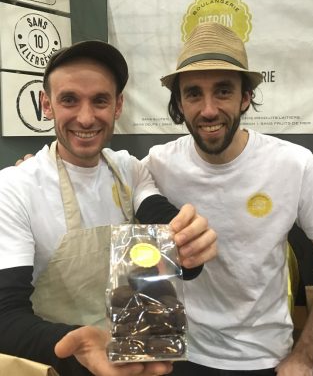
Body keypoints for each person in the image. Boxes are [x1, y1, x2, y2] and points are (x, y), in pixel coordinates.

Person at [0, 40, 217, 376]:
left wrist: (189, 245)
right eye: (69, 99)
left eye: (100, 100)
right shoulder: (14, 188)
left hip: (132, 357)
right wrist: (80, 345)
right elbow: (4, 315)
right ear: (47, 104)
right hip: (56, 363)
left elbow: (160, 220)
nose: (86, 118)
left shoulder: (129, 169)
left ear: (117, 106)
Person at [142, 22, 313, 376]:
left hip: (263, 360)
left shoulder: (294, 165)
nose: (208, 110)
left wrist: (305, 356)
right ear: (179, 102)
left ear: (245, 97)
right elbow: (101, 174)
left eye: (223, 91)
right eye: (193, 93)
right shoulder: (157, 164)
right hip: (176, 355)